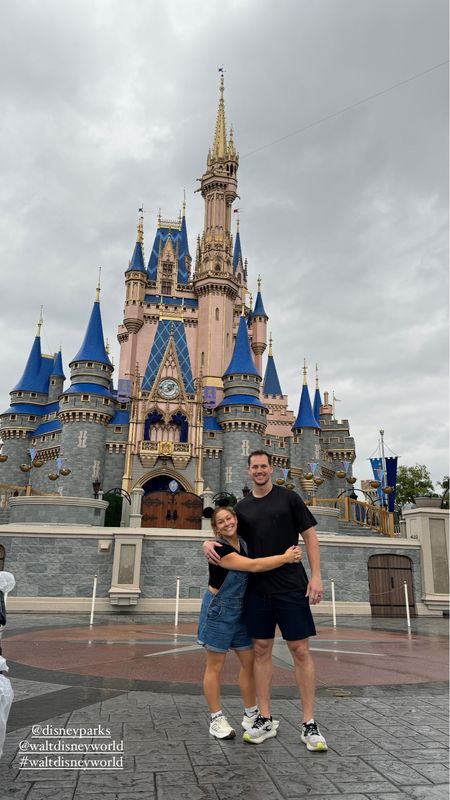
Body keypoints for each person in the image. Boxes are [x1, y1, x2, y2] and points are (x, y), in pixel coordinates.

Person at [203, 450, 328, 750]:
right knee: (261, 650)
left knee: (300, 650)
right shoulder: (242, 508)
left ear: (272, 468)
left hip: (290, 586)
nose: (259, 471)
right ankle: (265, 719)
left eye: (264, 466)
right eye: (254, 467)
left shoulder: (290, 499)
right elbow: (227, 536)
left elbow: (310, 537)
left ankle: (309, 723)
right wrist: (207, 541)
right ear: (248, 471)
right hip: (257, 590)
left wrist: (316, 576)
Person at [198, 504, 302, 740]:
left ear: (236, 518)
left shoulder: (243, 542)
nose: (227, 523)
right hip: (220, 611)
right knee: (215, 665)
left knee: (249, 663)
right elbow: (254, 566)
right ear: (216, 528)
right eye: (221, 522)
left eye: (229, 518)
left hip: (241, 611)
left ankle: (251, 714)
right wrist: (286, 558)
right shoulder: (220, 550)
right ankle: (216, 718)